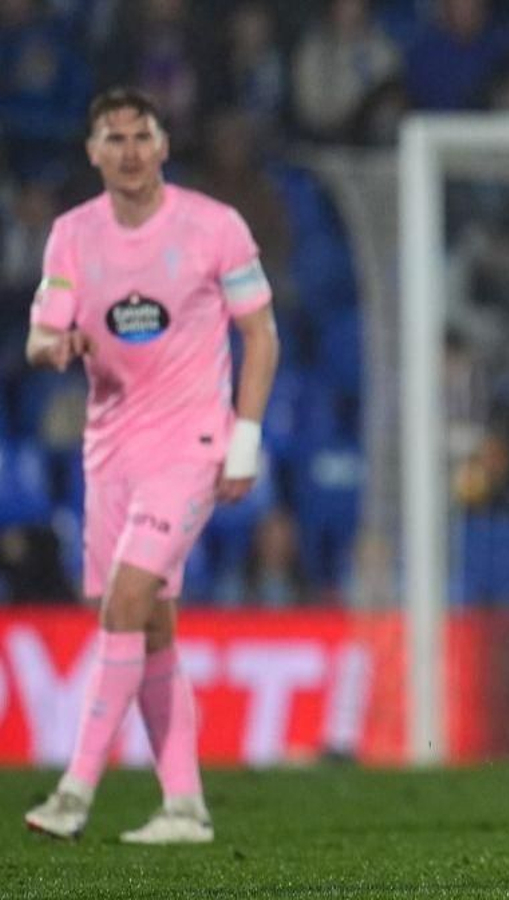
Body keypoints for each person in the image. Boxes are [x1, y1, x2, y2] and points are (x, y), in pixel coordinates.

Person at [22, 88, 279, 843]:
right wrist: (55, 346)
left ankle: (74, 793)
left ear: (165, 146)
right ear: (92, 152)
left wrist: (245, 439)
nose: (130, 150)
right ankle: (184, 807)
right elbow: (42, 333)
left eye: (143, 135)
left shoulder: (214, 227)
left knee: (125, 603)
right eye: (114, 137)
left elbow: (260, 334)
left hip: (192, 445)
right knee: (153, 624)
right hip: (111, 455)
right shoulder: (71, 235)